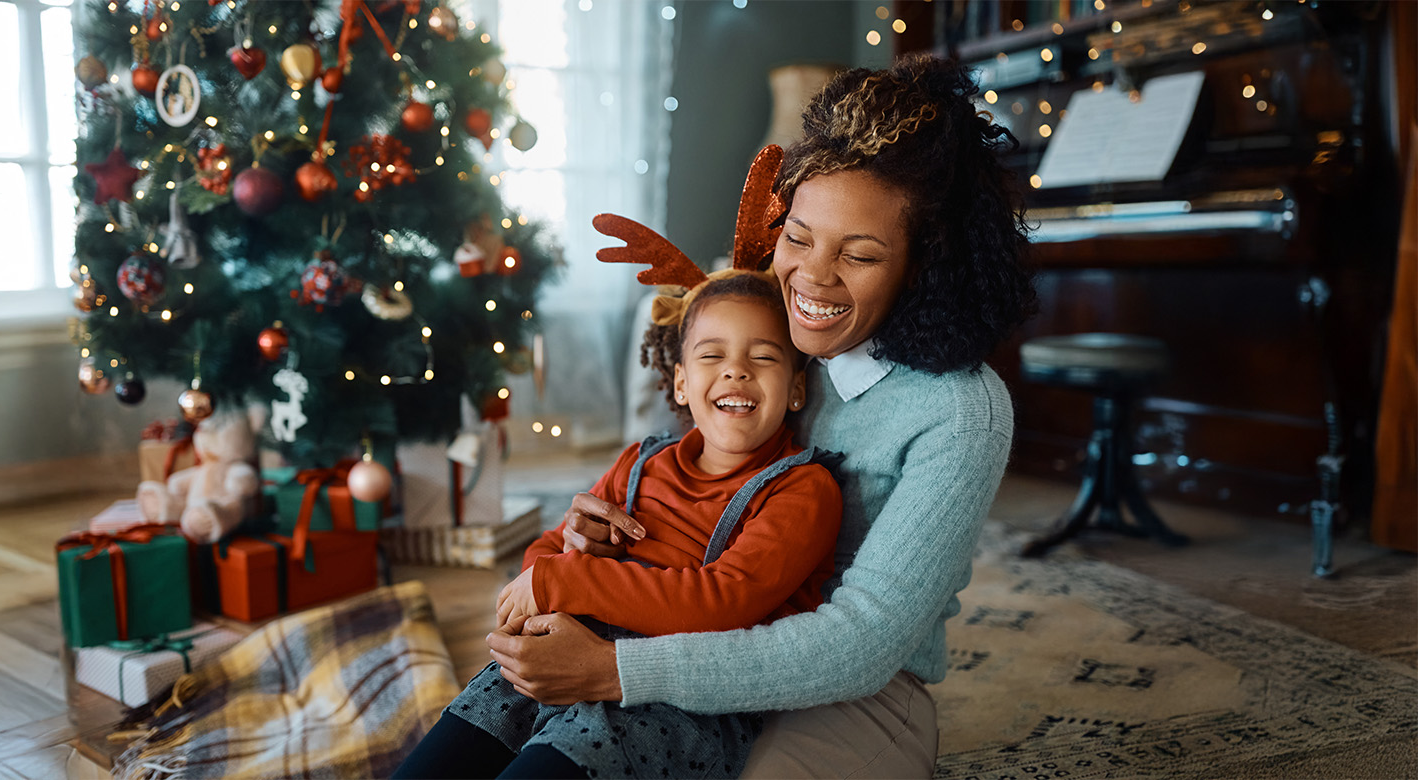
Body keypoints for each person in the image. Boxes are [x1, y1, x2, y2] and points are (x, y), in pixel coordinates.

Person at [484, 54, 1037, 778]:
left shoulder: (961, 413)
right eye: (799, 237)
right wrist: (597, 542)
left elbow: (858, 647)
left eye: (860, 255)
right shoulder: (766, 339)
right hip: (691, 636)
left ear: (923, 265)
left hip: (850, 688)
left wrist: (616, 671)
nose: (811, 277)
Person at [393, 270, 845, 779]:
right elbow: (543, 555)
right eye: (711, 355)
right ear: (680, 381)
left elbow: (724, 601)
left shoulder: (803, 488)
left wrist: (565, 579)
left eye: (762, 356)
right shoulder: (641, 462)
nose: (736, 371)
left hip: (672, 702)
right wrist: (564, 559)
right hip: (559, 654)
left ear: (797, 388)